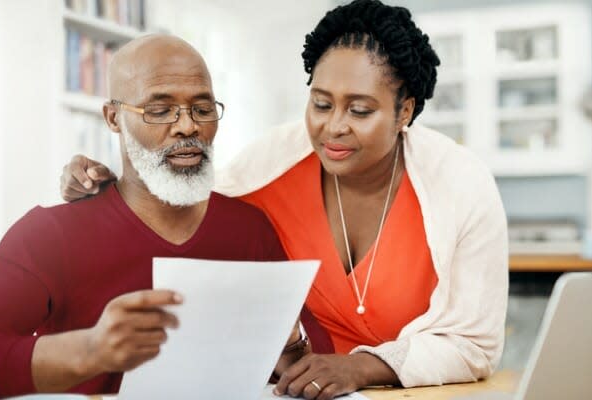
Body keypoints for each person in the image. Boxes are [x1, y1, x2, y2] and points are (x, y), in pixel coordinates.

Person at [61, 1, 509, 399]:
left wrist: (361, 367)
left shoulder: (459, 184)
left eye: (360, 110)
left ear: (404, 111)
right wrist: (105, 191)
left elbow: (476, 345)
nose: (334, 126)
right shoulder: (270, 165)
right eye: (321, 103)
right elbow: (176, 221)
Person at [0, 35, 290, 400]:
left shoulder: (250, 228)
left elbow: (298, 359)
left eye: (202, 108)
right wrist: (92, 349)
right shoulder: (50, 234)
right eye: (159, 110)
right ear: (114, 118)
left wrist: (291, 350)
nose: (187, 127)